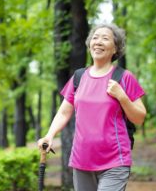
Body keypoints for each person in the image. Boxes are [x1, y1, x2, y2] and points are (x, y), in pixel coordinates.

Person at [38, 24, 147, 191]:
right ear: (89, 45)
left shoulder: (124, 77)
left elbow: (139, 118)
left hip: (115, 160)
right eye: (95, 38)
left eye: (105, 38)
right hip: (82, 160)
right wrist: (50, 135)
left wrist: (122, 96)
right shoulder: (79, 77)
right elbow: (64, 111)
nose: (98, 42)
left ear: (115, 48)